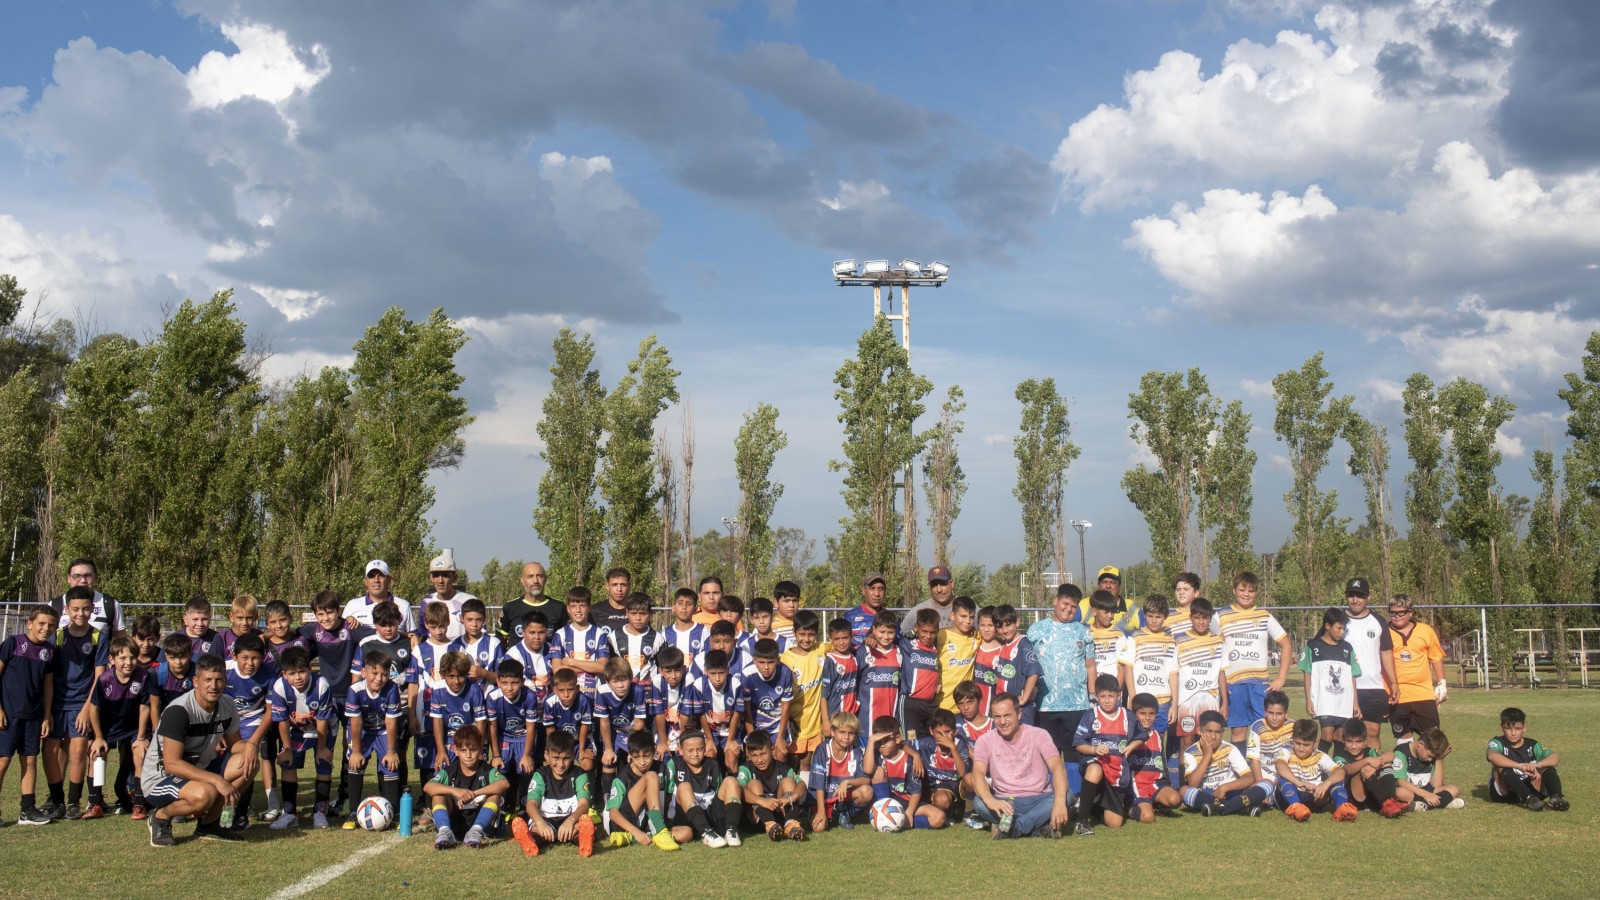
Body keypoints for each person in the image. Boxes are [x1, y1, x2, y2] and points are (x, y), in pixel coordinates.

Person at [142, 653, 260, 846]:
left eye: (219, 680)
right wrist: (217, 780)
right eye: (208, 680)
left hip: (200, 768)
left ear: (225, 681)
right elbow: (172, 764)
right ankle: (161, 816)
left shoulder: (228, 704)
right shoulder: (179, 711)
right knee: (205, 794)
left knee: (248, 763)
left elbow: (234, 744)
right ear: (196, 681)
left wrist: (249, 748)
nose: (213, 686)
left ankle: (209, 825)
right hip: (161, 777)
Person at [970, 692, 1072, 839]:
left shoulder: (1039, 735)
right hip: (1006, 802)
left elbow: (1057, 768)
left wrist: (1060, 802)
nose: (1003, 721)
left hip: (1039, 798)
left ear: (1019, 714)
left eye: (1007, 715)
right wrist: (990, 800)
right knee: (979, 802)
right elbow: (977, 774)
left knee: (1066, 795)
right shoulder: (985, 741)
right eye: (997, 717)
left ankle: (1014, 829)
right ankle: (1038, 827)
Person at [46, 586, 108, 820]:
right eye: (75, 609)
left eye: (85, 609)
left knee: (79, 750)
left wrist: (86, 710)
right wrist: (47, 711)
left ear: (92, 609)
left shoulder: (97, 637)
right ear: (66, 609)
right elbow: (48, 677)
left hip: (83, 704)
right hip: (56, 705)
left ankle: (75, 802)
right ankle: (56, 801)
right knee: (51, 751)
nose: (80, 613)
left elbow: (99, 676)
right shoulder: (58, 636)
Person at [1028, 584, 1095, 797]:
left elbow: (1090, 665)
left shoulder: (1084, 632)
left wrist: (1092, 696)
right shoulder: (1036, 630)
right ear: (1055, 601)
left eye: (1073, 607)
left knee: (1073, 751)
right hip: (1045, 703)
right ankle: (1051, 796)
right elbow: (1027, 663)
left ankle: (1074, 797)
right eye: (1065, 604)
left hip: (1076, 704)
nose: (1068, 609)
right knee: (1050, 752)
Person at [1212, 572, 1291, 743]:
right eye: (1242, 590)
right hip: (1233, 684)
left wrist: (1281, 678)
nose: (1246, 594)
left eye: (1251, 591)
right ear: (1234, 590)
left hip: (1259, 684)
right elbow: (1212, 648)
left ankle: (1266, 769)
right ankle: (1240, 769)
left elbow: (1286, 644)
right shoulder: (1220, 616)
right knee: (1238, 731)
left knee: (1265, 730)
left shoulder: (1264, 615)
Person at [0, 604, 60, 826]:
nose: (46, 628)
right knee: (3, 761)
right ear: (30, 623)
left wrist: (46, 715)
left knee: (30, 761)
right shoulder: (13, 644)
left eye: (51, 625)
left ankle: (27, 811)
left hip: (33, 717)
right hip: (8, 716)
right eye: (42, 623)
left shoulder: (50, 652)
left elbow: (48, 686)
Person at [268, 646, 335, 829]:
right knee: (288, 764)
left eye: (301, 672)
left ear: (309, 669)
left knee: (323, 764)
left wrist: (322, 748)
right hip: (296, 730)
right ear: (284, 674)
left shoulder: (321, 685)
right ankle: (290, 813)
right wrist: (287, 748)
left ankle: (319, 811)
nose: (297, 677)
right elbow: (281, 721)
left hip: (324, 730)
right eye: (292, 673)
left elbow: (322, 720)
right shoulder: (279, 686)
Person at [85, 634, 151, 819]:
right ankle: (95, 803)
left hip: (132, 728)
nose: (128, 662)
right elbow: (94, 709)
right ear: (112, 660)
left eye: (132, 657)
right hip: (107, 728)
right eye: (122, 658)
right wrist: (98, 737)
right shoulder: (105, 679)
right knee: (97, 756)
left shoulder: (144, 676)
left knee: (140, 753)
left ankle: (139, 804)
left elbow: (144, 707)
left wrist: (140, 736)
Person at [342, 650, 405, 829]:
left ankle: (392, 813)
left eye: (384, 674)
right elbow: (355, 722)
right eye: (374, 673)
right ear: (364, 673)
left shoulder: (392, 688)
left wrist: (392, 751)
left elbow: (391, 721)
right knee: (356, 764)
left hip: (384, 730)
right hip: (361, 731)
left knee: (391, 765)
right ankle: (353, 812)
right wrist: (356, 751)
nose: (379, 678)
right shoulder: (355, 689)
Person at [511, 729, 597, 858]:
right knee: (538, 830)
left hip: (571, 819)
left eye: (566, 758)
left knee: (580, 827)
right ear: (546, 756)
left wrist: (571, 820)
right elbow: (531, 804)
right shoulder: (540, 775)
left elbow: (584, 805)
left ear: (573, 755)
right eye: (556, 758)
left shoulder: (579, 774)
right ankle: (530, 840)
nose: (561, 764)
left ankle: (584, 841)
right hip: (546, 819)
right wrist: (540, 823)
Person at [425, 722, 508, 849]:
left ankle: (476, 830)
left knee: (495, 794)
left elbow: (504, 783)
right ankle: (445, 831)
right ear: (456, 751)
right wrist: (455, 791)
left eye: (473, 750)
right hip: (456, 823)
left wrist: (474, 793)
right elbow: (428, 787)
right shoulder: (450, 771)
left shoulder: (486, 769)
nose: (468, 755)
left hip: (482, 827)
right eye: (463, 750)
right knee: (438, 794)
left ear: (480, 749)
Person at [221, 634, 275, 828]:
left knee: (248, 760)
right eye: (245, 658)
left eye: (255, 658)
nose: (250, 663)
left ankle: (238, 812)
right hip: (224, 723)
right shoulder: (224, 670)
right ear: (235, 656)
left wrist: (253, 742)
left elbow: (270, 711)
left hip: (253, 723)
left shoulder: (269, 673)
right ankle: (214, 803)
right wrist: (218, 733)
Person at [1073, 674, 1136, 834]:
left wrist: (1132, 746)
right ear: (1096, 696)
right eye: (1103, 696)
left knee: (1114, 823)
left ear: (1119, 695)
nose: (1107, 700)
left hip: (1116, 771)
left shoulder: (1127, 715)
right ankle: (1081, 822)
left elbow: (1143, 735)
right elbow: (1078, 743)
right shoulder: (1091, 715)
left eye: (1111, 696)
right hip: (1095, 764)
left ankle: (1086, 804)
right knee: (1095, 768)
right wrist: (1094, 750)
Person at [1181, 710, 1271, 816]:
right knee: (1184, 791)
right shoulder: (1191, 752)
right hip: (1206, 794)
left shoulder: (1229, 749)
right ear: (1199, 731)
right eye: (1209, 731)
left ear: (1222, 733)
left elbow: (1249, 777)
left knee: (1267, 784)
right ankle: (1238, 807)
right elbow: (1192, 783)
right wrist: (1207, 756)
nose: (1213, 737)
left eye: (1217, 732)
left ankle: (1221, 808)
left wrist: (1224, 788)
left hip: (1230, 792)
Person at [665, 728, 743, 848]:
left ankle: (731, 830)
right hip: (687, 819)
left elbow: (719, 793)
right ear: (680, 750)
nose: (695, 754)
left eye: (700, 749)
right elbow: (668, 793)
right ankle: (705, 832)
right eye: (690, 750)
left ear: (705, 748)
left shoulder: (713, 764)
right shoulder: (674, 763)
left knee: (731, 781)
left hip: (711, 815)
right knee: (684, 786)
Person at [604, 730, 681, 851]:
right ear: (630, 755)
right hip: (623, 823)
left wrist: (666, 819)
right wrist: (636, 832)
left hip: (647, 823)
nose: (642, 762)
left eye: (646, 756)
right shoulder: (623, 775)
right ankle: (658, 831)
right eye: (636, 757)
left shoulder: (663, 768)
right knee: (651, 776)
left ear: (654, 751)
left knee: (686, 832)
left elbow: (668, 796)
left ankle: (630, 838)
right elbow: (613, 814)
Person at [1342, 578, 1396, 747]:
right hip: (1344, 687)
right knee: (1346, 735)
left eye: (1360, 595)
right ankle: (1346, 772)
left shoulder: (1378, 621)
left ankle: (1373, 772)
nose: (1355, 600)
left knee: (1372, 733)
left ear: (1369, 597)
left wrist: (1393, 682)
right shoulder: (1337, 620)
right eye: (1351, 595)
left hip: (1373, 687)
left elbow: (1386, 652)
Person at [865, 715, 944, 829]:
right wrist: (871, 740)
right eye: (878, 741)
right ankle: (883, 814)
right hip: (889, 801)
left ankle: (900, 822)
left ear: (897, 738)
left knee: (939, 817)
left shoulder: (910, 760)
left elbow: (916, 791)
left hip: (909, 802)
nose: (882, 745)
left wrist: (909, 812)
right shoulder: (877, 754)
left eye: (886, 740)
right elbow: (868, 769)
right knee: (878, 771)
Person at [1171, 597, 1227, 755]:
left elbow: (1221, 673)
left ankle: (1208, 777)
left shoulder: (1217, 641)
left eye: (1205, 618)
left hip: (1210, 699)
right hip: (1186, 700)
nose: (1201, 622)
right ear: (1191, 618)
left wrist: (1225, 703)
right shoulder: (1179, 640)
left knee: (1210, 739)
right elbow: (1173, 672)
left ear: (1210, 618)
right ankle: (1185, 778)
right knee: (1187, 741)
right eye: (1197, 617)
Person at [1386, 594, 1446, 742]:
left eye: (1401, 612)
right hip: (1396, 696)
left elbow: (1436, 656)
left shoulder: (1425, 631)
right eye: (1393, 612)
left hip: (1423, 694)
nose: (1397, 616)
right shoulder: (1384, 633)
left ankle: (1434, 766)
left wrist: (1442, 683)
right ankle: (1407, 765)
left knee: (1433, 740)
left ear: (1410, 613)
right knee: (1403, 740)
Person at [1273, 718, 1358, 822]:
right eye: (1297, 743)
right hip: (1289, 796)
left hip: (1313, 797)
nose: (1301, 749)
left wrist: (1325, 784)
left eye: (1306, 745)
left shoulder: (1320, 756)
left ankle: (1342, 809)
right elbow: (1280, 764)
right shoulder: (1286, 750)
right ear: (1292, 739)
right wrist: (1298, 782)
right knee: (1283, 780)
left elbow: (1340, 772)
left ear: (1315, 743)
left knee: (1336, 781)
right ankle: (1295, 807)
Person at [1486, 706, 1568, 811]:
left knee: (1548, 766)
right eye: (1508, 728)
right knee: (1500, 767)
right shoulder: (1498, 742)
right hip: (1505, 793)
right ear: (1501, 728)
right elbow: (1492, 756)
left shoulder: (1532, 745)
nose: (1513, 733)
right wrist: (1521, 767)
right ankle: (1529, 798)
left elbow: (1555, 757)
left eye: (1518, 728)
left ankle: (1556, 798)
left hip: (1531, 788)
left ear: (1524, 728)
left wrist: (1538, 765)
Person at [1115, 595, 1175, 737]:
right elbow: (1128, 668)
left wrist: (1175, 704)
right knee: (1137, 740)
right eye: (1150, 616)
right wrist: (1133, 696)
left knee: (1158, 741)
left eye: (1158, 616)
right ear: (1145, 615)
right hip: (1139, 700)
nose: (1154, 620)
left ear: (1165, 616)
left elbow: (1173, 673)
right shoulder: (1135, 637)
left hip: (1162, 702)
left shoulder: (1171, 641)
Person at [487, 657, 541, 813]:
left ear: (522, 681)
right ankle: (502, 807)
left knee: (525, 769)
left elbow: (531, 728)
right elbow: (492, 727)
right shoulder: (493, 697)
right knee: (500, 769)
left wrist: (527, 755)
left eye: (514, 683)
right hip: (504, 737)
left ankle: (525, 807)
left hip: (523, 737)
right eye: (505, 683)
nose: (509, 688)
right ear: (498, 682)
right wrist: (496, 755)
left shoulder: (529, 696)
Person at [1301, 608, 1360, 746]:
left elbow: (1352, 676)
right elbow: (1307, 674)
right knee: (1327, 736)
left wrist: (1355, 702)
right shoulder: (1313, 646)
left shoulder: (1347, 648)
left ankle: (1338, 767)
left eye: (1344, 629)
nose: (1342, 632)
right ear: (1327, 626)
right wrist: (1308, 700)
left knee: (1340, 737)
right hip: (1324, 702)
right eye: (1339, 628)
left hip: (1343, 701)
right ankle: (1320, 766)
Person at [1330, 716, 1407, 818]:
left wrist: (1375, 765)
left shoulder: (1370, 751)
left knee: (1386, 764)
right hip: (1355, 798)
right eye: (1349, 741)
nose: (1354, 746)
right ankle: (1387, 803)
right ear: (1343, 740)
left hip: (1373, 797)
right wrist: (1368, 761)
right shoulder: (1339, 756)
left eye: (1358, 742)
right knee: (1363, 768)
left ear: (1365, 741)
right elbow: (1347, 770)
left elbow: (1391, 755)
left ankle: (1390, 802)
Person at [738, 729, 807, 841]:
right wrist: (762, 801)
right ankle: (769, 824)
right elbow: (739, 789)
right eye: (754, 755)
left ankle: (790, 824)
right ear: (749, 755)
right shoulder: (745, 768)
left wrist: (791, 797)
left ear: (772, 749)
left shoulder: (783, 767)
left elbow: (802, 784)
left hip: (780, 815)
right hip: (757, 819)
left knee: (788, 781)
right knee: (754, 784)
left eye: (763, 754)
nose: (759, 760)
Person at [780, 611, 826, 781]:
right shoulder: (786, 659)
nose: (806, 639)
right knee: (792, 761)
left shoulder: (821, 649)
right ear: (794, 633)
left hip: (814, 723)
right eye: (802, 634)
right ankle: (790, 797)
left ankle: (804, 800)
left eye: (811, 635)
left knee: (807, 761)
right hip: (794, 722)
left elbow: (841, 642)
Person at [808, 711, 871, 832]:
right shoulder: (822, 749)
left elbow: (866, 780)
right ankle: (821, 813)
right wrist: (821, 812)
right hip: (823, 799)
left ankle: (845, 815)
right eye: (842, 732)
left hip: (843, 798)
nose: (846, 737)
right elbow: (818, 784)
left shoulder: (857, 751)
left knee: (867, 792)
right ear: (832, 732)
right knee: (818, 828)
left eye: (851, 733)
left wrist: (847, 782)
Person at [552, 587, 610, 698]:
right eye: (573, 606)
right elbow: (556, 669)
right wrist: (591, 666)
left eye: (582, 605)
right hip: (568, 695)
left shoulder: (600, 634)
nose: (578, 610)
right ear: (568, 609)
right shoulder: (560, 634)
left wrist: (571, 662)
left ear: (589, 608)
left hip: (594, 694)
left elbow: (603, 667)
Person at [740, 639, 794, 756]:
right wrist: (751, 737)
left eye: (770, 662)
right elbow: (746, 709)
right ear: (754, 660)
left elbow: (786, 708)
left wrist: (780, 738)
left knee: (780, 755)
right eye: (761, 662)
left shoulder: (785, 673)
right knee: (753, 757)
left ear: (778, 660)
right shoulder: (747, 675)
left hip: (777, 724)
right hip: (756, 724)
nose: (766, 667)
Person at [855, 614, 904, 735]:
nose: (886, 637)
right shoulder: (863, 652)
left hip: (891, 718)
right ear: (873, 630)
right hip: (867, 721)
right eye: (882, 632)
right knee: (867, 753)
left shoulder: (899, 652)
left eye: (890, 632)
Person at [1393, 726, 1464, 811]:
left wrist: (1439, 759)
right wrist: (1425, 795)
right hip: (1411, 791)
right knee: (1400, 793)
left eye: (1433, 757)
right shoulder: (1401, 752)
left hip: (1428, 790)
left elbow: (1436, 785)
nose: (1430, 759)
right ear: (1420, 744)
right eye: (1429, 756)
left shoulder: (1433, 757)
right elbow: (1401, 782)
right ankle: (1443, 803)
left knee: (1454, 789)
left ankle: (1419, 806)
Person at [50, 557, 125, 635]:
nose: (83, 581)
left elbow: (120, 639)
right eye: (77, 576)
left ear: (95, 577)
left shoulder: (110, 604)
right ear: (68, 578)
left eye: (88, 576)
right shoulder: (54, 605)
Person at [1246, 689, 1294, 807]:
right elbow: (1254, 759)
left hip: (1287, 771)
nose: (1274, 718)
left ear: (1286, 714)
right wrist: (1260, 782)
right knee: (1259, 790)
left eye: (1279, 714)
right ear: (1264, 712)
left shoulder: (1293, 726)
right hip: (1264, 772)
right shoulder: (1257, 727)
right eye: (1270, 713)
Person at [498, 562, 566, 641]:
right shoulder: (510, 607)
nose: (535, 581)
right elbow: (500, 641)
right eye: (530, 576)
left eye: (540, 576)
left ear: (545, 579)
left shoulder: (559, 607)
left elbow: (567, 639)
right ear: (522, 581)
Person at [608, 592, 664, 685]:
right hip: (622, 690)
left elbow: (662, 667)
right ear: (627, 613)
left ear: (650, 614)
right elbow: (609, 666)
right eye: (634, 613)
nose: (638, 618)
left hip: (648, 691)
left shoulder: (657, 638)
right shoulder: (614, 636)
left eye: (643, 613)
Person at [900, 610, 941, 738]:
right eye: (924, 631)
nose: (928, 636)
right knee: (911, 741)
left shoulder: (935, 648)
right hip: (911, 703)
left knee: (932, 739)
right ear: (916, 628)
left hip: (931, 703)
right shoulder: (906, 644)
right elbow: (890, 631)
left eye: (932, 632)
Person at [344, 560, 415, 632]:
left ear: (389, 580)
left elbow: (414, 637)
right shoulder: (352, 605)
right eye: (371, 576)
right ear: (365, 581)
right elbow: (341, 635)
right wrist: (346, 622)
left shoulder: (404, 605)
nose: (376, 580)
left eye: (381, 575)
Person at [419, 550, 476, 640]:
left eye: (445, 575)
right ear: (431, 578)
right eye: (436, 575)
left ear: (454, 577)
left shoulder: (470, 601)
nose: (440, 580)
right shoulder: (426, 601)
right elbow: (423, 634)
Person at [937, 596, 980, 714]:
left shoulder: (976, 637)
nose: (968, 621)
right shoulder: (941, 636)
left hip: (964, 706)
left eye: (971, 617)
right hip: (942, 703)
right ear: (952, 616)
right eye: (963, 616)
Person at [820, 619, 860, 740]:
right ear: (830, 639)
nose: (841, 642)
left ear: (851, 636)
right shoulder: (830, 661)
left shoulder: (855, 658)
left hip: (852, 717)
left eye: (845, 638)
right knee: (834, 751)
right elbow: (824, 696)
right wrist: (826, 721)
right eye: (837, 639)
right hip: (835, 718)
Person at [449, 598, 501, 683]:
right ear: (461, 618)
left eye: (478, 620)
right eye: (469, 620)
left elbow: (503, 678)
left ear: (484, 619)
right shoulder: (455, 644)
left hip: (487, 694)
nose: (474, 625)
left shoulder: (494, 643)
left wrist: (483, 673)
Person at [902, 565, 957, 635]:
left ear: (952, 583)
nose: (939, 590)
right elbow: (900, 634)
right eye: (934, 585)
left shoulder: (967, 608)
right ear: (929, 587)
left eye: (943, 584)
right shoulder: (918, 610)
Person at [844, 573, 888, 648]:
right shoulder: (850, 616)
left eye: (880, 589)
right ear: (863, 591)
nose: (877, 594)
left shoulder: (890, 617)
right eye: (872, 588)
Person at [664, 588, 708, 659]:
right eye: (680, 603)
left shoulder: (704, 631)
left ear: (695, 610)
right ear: (673, 608)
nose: (684, 607)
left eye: (689, 604)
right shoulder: (665, 634)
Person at [591, 567, 633, 638]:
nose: (619, 589)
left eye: (623, 585)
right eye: (614, 585)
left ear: (629, 586)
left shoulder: (637, 611)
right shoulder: (594, 611)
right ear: (607, 586)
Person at [217, 593, 261, 661]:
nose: (244, 623)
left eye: (249, 618)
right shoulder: (222, 638)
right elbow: (212, 666)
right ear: (231, 617)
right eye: (240, 618)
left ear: (256, 617)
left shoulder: (260, 636)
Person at [1167, 573, 1201, 640]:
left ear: (1196, 593)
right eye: (1178, 589)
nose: (1181, 592)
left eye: (1186, 589)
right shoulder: (1166, 617)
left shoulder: (1206, 615)